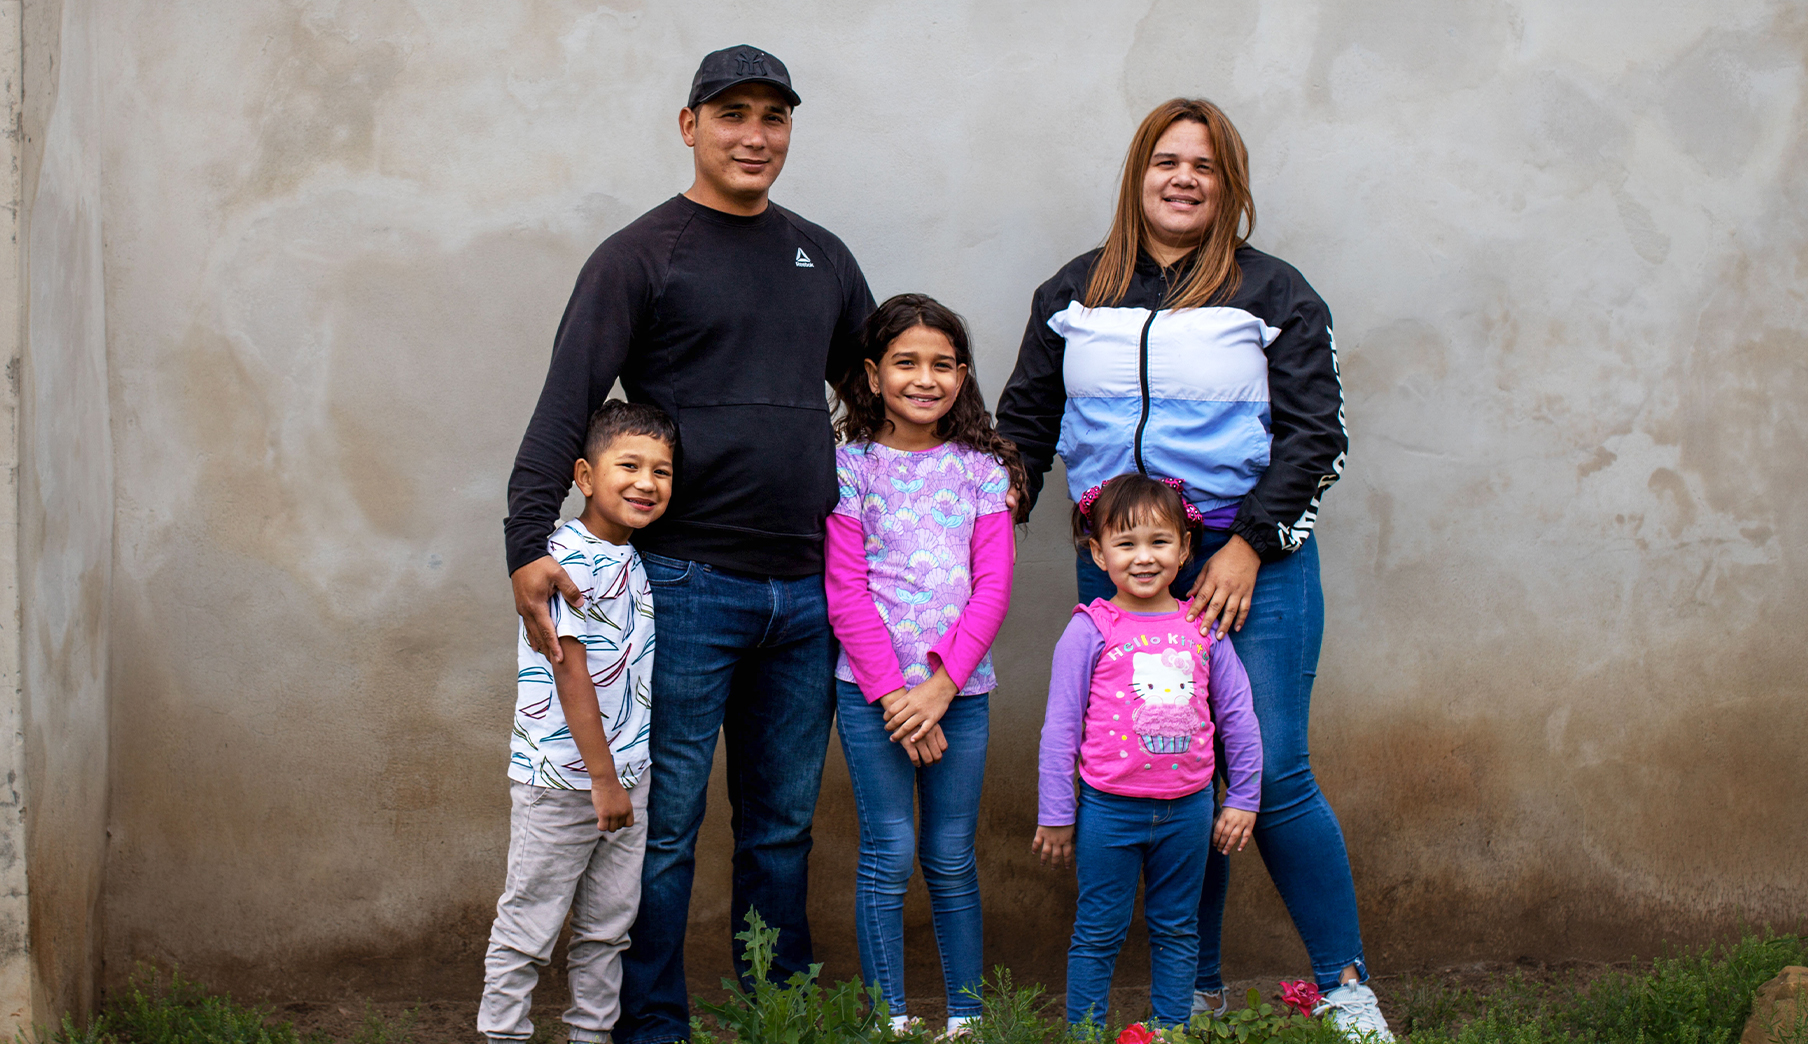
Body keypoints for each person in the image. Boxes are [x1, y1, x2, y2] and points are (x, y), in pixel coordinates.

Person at [995, 98, 1394, 1039]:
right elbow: (1022, 430)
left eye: (1205, 167)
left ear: (1230, 186)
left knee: (1277, 774)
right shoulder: (1073, 291)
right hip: (1124, 571)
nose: (1184, 178)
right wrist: (969, 534)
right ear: (1138, 174)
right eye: (1166, 161)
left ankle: (1348, 989)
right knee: (1169, 774)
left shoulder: (1275, 293)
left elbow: (1317, 436)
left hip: (1248, 562)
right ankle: (1199, 991)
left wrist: (1252, 546)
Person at [503, 46, 875, 1044]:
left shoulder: (821, 257)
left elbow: (879, 393)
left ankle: (775, 1018)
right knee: (660, 834)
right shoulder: (640, 256)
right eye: (731, 115)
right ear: (689, 126)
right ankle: (650, 1027)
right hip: (680, 585)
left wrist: (971, 470)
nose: (753, 135)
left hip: (802, 594)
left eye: (772, 117)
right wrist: (521, 543)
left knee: (781, 831)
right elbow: (566, 402)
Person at [823, 294, 1023, 1035]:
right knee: (891, 851)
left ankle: (966, 1020)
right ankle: (891, 1021)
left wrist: (939, 689)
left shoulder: (982, 469)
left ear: (963, 376)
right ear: (873, 375)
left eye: (942, 364)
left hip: (959, 694)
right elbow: (845, 593)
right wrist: (896, 696)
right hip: (872, 695)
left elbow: (994, 587)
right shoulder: (848, 468)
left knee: (949, 856)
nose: (924, 378)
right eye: (906, 362)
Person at [1032, 474, 1262, 1029]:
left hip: (1189, 810)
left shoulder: (1204, 628)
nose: (1143, 558)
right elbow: (1060, 730)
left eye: (1159, 542)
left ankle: (1169, 1035)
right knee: (1097, 933)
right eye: (1125, 543)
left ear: (1185, 548)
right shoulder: (1089, 630)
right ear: (1098, 551)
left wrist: (1244, 798)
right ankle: (1084, 1036)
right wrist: (1058, 814)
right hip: (1109, 812)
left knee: (1178, 929)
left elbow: (1239, 718)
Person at [481, 400, 676, 1044]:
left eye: (662, 471)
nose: (647, 482)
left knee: (607, 930)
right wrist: (603, 780)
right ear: (585, 477)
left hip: (625, 780)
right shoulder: (564, 559)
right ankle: (504, 1034)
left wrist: (622, 779)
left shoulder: (631, 556)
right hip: (564, 781)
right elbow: (572, 676)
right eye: (629, 465)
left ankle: (591, 1037)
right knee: (530, 928)